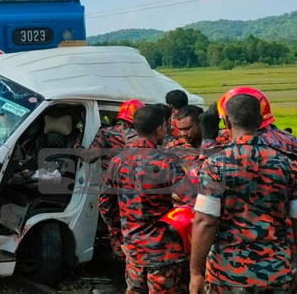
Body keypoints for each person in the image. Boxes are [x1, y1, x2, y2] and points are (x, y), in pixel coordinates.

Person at [190, 94, 297, 294]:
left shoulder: (215, 166)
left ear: (227, 121)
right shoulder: (288, 164)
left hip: (228, 274)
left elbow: (205, 222)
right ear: (260, 121)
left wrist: (196, 272)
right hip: (276, 271)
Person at [100, 105, 188, 293]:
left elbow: (106, 205)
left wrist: (121, 232)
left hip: (133, 248)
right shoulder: (167, 162)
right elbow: (190, 201)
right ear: (159, 128)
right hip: (164, 249)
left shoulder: (118, 161)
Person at [89, 98, 143, 260]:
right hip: (135, 190)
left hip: (110, 189)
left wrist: (76, 144)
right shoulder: (142, 136)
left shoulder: (106, 133)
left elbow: (89, 157)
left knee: (114, 228)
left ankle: (120, 260)